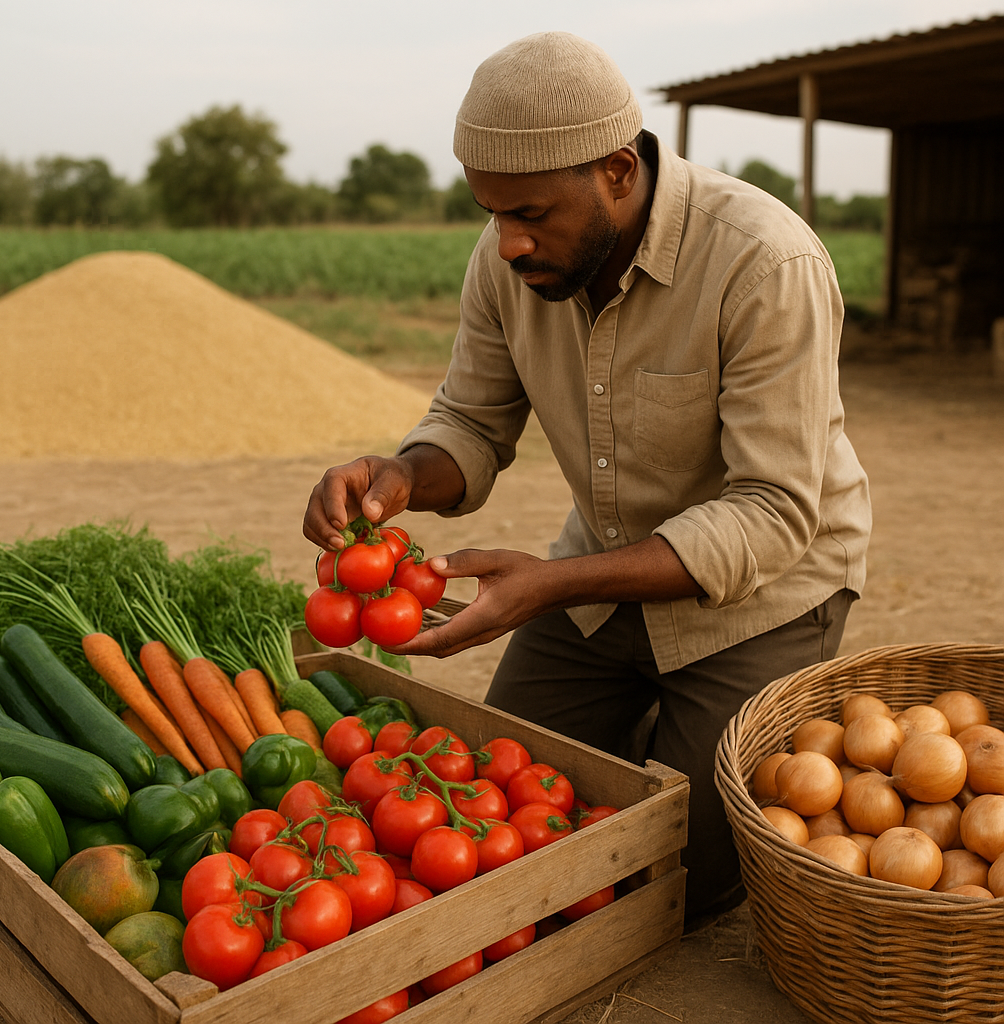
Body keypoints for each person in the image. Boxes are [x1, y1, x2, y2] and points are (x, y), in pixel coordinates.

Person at [302, 31, 872, 927]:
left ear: (615, 169)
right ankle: (659, 730)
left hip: (765, 594)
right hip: (604, 578)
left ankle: (688, 732)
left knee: (669, 889)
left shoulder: (766, 261)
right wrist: (398, 476)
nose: (509, 243)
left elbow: (771, 515)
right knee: (514, 815)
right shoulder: (507, 261)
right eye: (491, 214)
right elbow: (473, 423)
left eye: (530, 214)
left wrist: (547, 588)